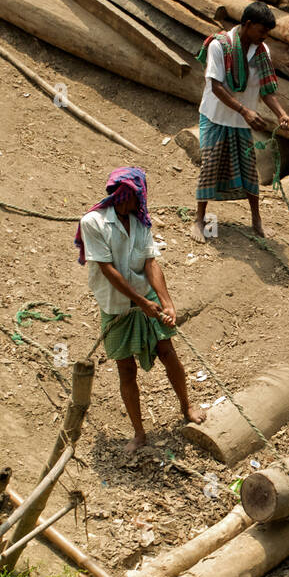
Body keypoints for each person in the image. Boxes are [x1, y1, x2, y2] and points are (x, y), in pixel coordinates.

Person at [76, 167, 205, 452]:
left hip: (145, 300)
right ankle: (139, 433)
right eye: (140, 196)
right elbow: (107, 270)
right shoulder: (93, 223)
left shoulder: (141, 222)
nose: (143, 202)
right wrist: (142, 302)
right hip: (116, 306)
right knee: (126, 369)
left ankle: (187, 407)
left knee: (168, 353)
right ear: (129, 195)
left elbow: (150, 263)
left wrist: (165, 301)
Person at [191, 2, 289, 244]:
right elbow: (215, 86)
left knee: (249, 170)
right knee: (209, 167)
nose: (264, 37)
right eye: (261, 31)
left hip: (241, 120)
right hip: (215, 116)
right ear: (247, 25)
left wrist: (281, 113)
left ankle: (256, 220)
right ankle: (199, 218)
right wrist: (244, 110)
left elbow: (266, 90)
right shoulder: (220, 46)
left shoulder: (262, 51)